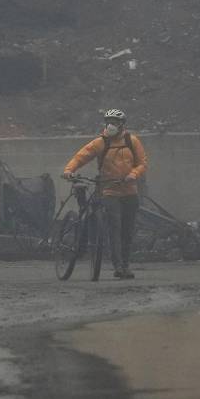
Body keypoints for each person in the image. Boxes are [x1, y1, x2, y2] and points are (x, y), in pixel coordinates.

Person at [62, 109, 149, 279]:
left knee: (128, 231)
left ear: (122, 125)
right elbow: (81, 157)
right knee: (115, 228)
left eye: (115, 123)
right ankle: (118, 267)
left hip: (130, 191)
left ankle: (125, 265)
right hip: (109, 190)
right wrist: (68, 170)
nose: (111, 126)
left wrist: (134, 174)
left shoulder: (133, 141)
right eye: (108, 122)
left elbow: (142, 163)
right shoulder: (100, 142)